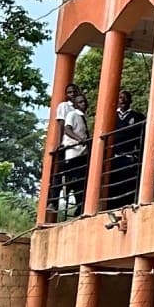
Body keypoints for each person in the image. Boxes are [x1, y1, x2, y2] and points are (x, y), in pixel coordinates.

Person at [52, 84, 90, 218]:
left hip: (81, 151)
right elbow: (65, 127)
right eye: (69, 92)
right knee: (66, 176)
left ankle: (79, 207)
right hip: (72, 149)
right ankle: (54, 203)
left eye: (84, 101)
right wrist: (60, 143)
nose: (72, 94)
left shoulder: (82, 115)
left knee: (79, 179)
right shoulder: (68, 110)